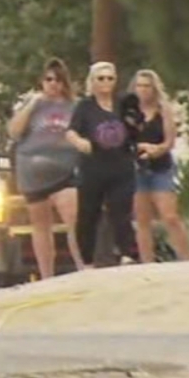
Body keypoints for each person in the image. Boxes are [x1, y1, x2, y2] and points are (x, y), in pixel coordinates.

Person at [7, 58, 85, 279]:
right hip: (33, 173)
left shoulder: (75, 106)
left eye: (58, 80)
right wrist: (32, 104)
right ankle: (46, 275)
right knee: (41, 225)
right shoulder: (29, 105)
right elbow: (14, 132)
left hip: (66, 172)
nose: (53, 84)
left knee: (74, 217)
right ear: (42, 82)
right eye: (49, 80)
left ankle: (83, 267)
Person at [64, 61, 140, 266]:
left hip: (121, 164)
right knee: (88, 214)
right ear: (93, 81)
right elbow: (71, 131)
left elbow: (137, 126)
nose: (106, 82)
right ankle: (87, 260)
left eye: (110, 78)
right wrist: (80, 142)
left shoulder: (124, 103)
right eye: (101, 78)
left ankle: (127, 254)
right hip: (94, 166)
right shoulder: (85, 106)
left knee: (122, 210)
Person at [129, 69, 189, 262]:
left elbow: (170, 141)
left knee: (170, 216)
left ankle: (186, 259)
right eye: (139, 85)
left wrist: (156, 149)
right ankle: (147, 263)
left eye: (147, 86)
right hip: (136, 168)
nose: (143, 90)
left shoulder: (163, 109)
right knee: (142, 220)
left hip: (160, 167)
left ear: (154, 88)